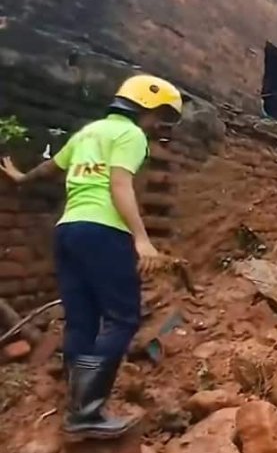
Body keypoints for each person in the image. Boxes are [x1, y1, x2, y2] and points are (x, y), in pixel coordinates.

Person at [0, 75, 183, 439]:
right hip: (104, 232)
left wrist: (19, 179)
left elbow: (50, 169)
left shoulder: (88, 134)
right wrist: (142, 240)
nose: (157, 125)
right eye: (158, 115)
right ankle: (87, 411)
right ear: (145, 108)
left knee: (81, 320)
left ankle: (76, 401)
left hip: (68, 231)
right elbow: (119, 185)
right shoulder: (130, 137)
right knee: (122, 319)